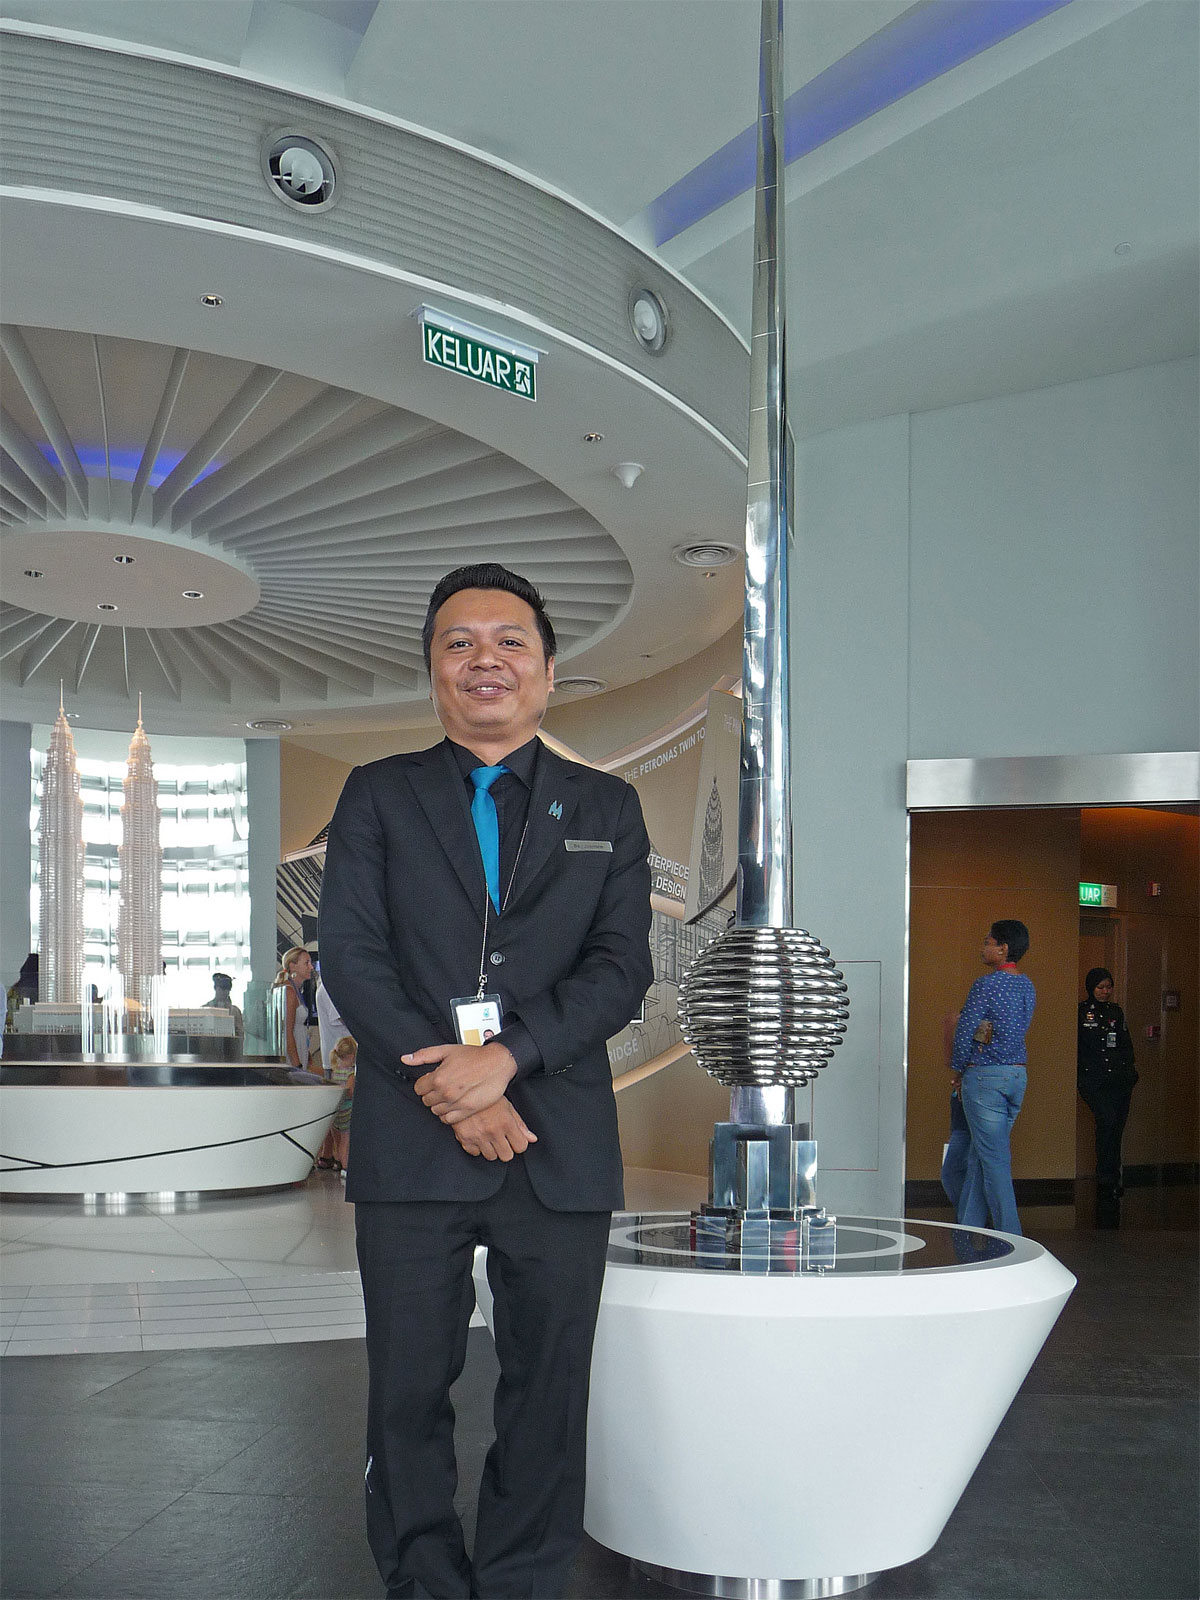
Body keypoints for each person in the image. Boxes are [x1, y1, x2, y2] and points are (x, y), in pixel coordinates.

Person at [319, 561, 653, 1600]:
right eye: (457, 642)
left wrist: (504, 1060)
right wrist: (453, 1086)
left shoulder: (609, 805)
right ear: (433, 672)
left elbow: (621, 968)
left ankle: (520, 1580)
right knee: (406, 1389)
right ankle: (422, 1581)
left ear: (548, 672)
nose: (484, 660)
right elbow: (353, 957)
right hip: (411, 1139)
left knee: (548, 1390)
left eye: (510, 641)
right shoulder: (377, 793)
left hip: (559, 1142)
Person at [949, 919, 1035, 1236]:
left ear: (1003, 949)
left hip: (985, 1078)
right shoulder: (1027, 985)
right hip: (1017, 1075)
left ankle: (1012, 1237)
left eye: (988, 942)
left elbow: (965, 1031)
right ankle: (968, 1229)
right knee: (981, 1156)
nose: (982, 948)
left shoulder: (985, 985)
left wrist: (959, 1070)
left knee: (994, 1160)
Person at [1078, 966, 1138, 1227]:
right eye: (1100, 987)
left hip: (1119, 1080)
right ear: (1091, 988)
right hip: (1094, 1080)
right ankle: (1105, 1176)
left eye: (1108, 987)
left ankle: (1113, 1176)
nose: (1105, 991)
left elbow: (1125, 1043)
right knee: (1107, 1121)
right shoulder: (1082, 1013)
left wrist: (1130, 1072)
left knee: (1116, 1126)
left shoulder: (1116, 1012)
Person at [273, 947, 313, 1069]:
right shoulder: (289, 992)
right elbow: (287, 1032)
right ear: (293, 966)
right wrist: (297, 1065)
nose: (311, 967)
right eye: (306, 963)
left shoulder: (295, 991)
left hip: (300, 1048)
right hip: (293, 1056)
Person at [327, 1033, 356, 1178]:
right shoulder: (350, 1074)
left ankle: (339, 1161)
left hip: (338, 1110)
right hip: (348, 1111)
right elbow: (350, 1092)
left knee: (339, 1141)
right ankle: (346, 1167)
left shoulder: (335, 1071)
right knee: (346, 1141)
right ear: (352, 1056)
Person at [202, 971, 244, 1041]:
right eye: (222, 989)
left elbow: (240, 1036)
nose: (226, 992)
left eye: (228, 989)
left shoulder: (235, 1011)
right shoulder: (205, 1009)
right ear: (216, 988)